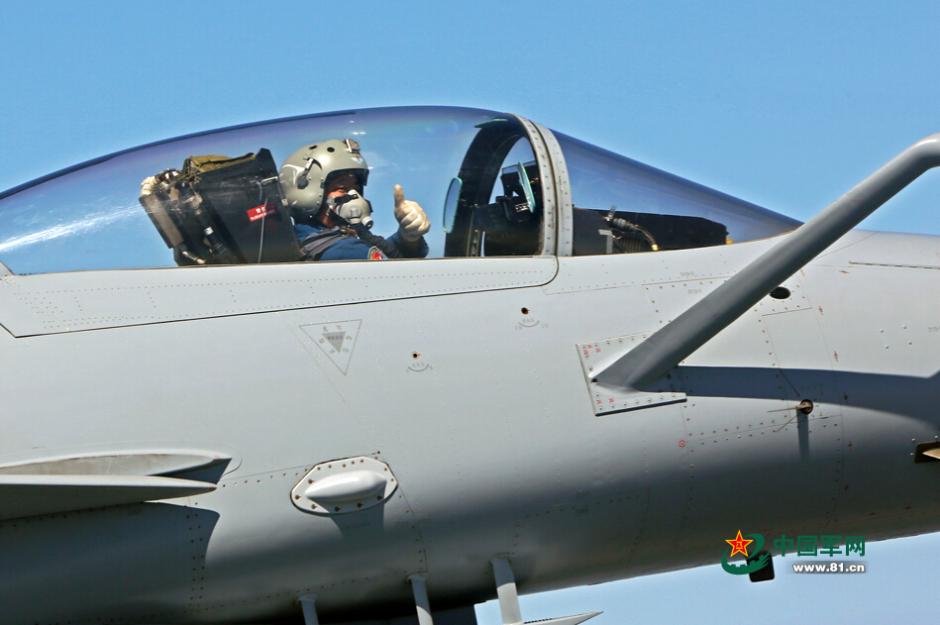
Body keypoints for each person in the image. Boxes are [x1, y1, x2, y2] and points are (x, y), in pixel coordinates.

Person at [279, 138, 430, 261]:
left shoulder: (302, 242)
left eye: (356, 188)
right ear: (307, 191)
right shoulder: (345, 250)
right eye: (342, 188)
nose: (354, 196)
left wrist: (407, 238)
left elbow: (388, 252)